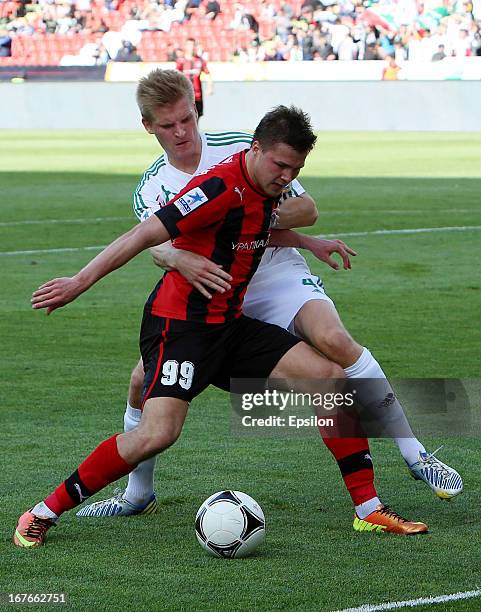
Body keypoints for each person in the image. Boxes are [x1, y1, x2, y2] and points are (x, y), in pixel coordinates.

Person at [15, 106, 431, 548]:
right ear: (255, 149)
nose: (288, 176)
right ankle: (42, 512)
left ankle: (368, 510)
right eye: (281, 165)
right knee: (158, 434)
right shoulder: (216, 187)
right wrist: (79, 282)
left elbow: (256, 229)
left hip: (230, 324)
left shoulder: (268, 187)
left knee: (329, 378)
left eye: (297, 168)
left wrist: (309, 241)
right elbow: (144, 236)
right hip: (180, 328)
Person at [175, 38, 213, 119]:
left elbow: (208, 74)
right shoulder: (181, 61)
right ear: (186, 46)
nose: (191, 47)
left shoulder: (200, 60)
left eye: (193, 45)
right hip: (184, 94)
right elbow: (176, 76)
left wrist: (210, 87)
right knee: (184, 117)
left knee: (196, 116)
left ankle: (194, 131)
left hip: (197, 94)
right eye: (189, 45)